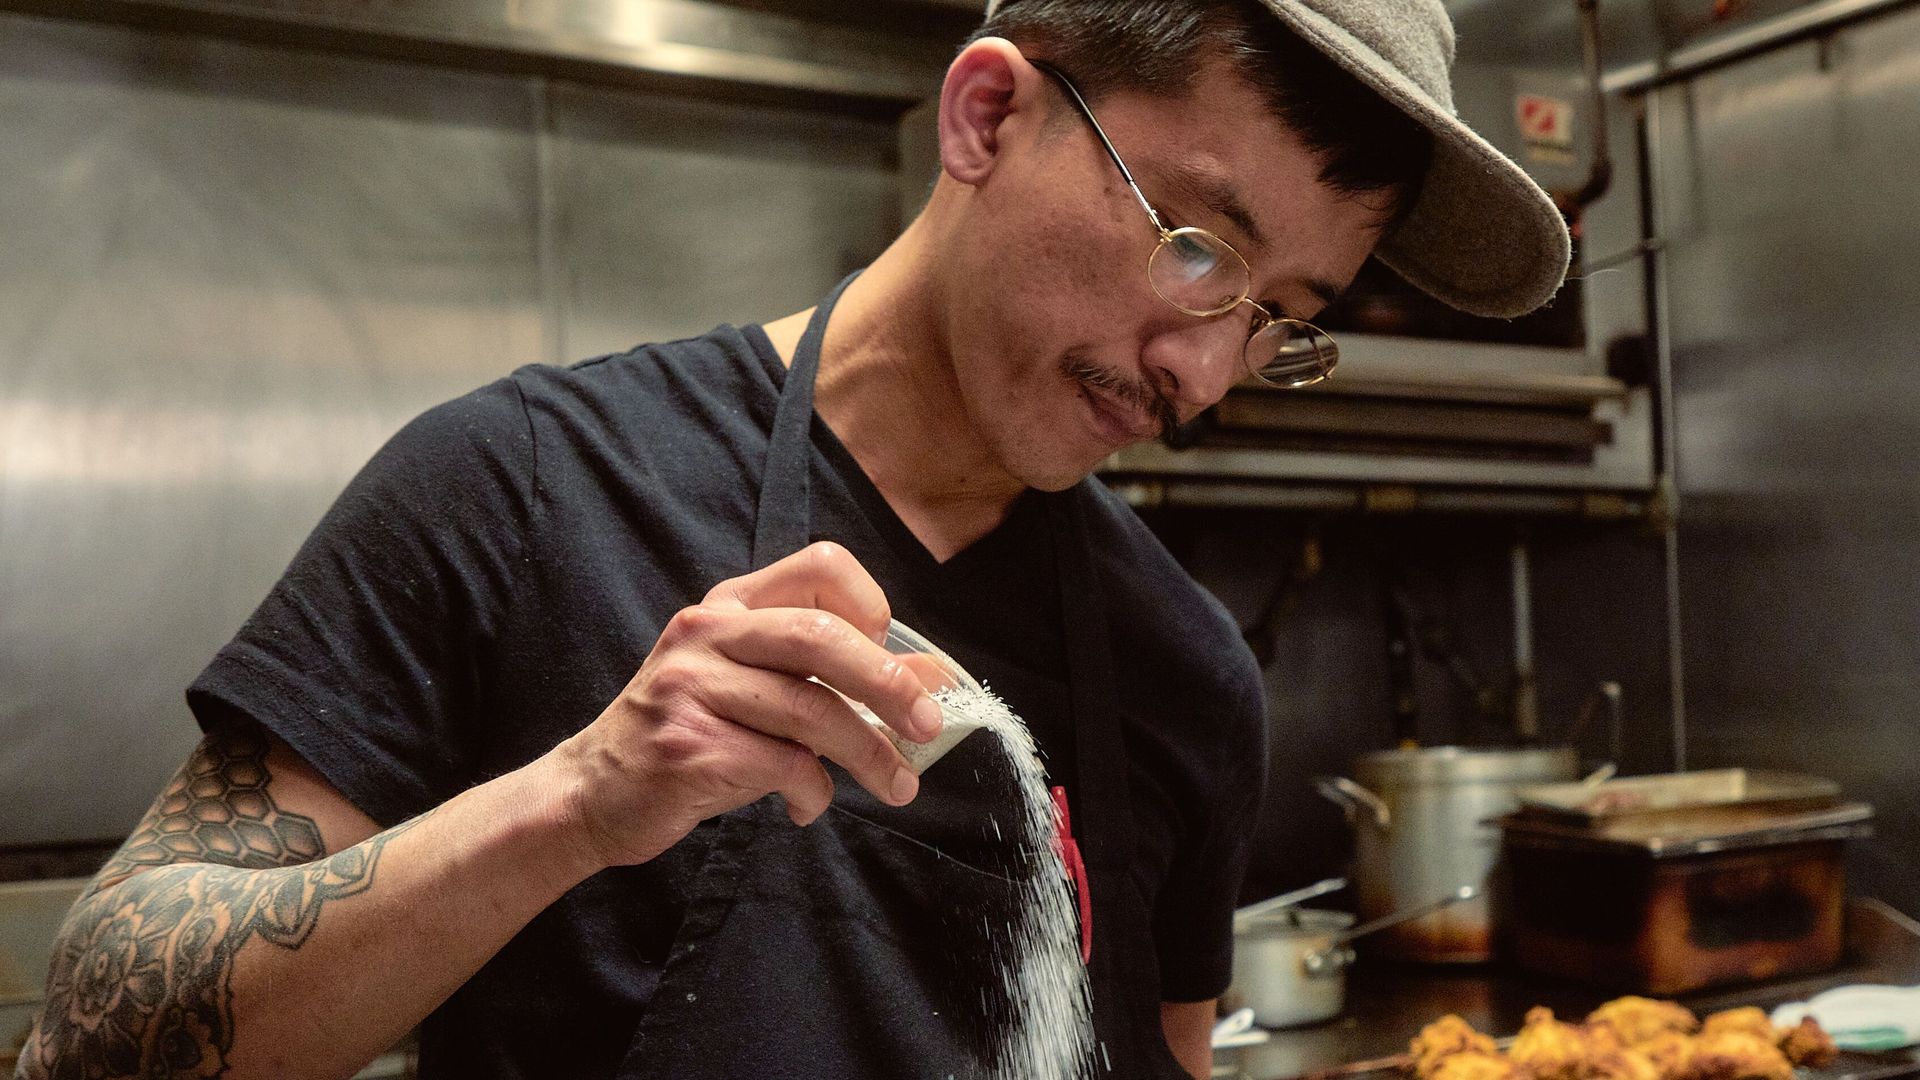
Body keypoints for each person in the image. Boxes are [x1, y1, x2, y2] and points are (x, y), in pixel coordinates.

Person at [15, 0, 1568, 1077]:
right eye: (1195, 249)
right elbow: (88, 1038)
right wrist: (576, 800)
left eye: (1280, 320)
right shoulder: (527, 488)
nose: (1205, 370)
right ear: (987, 115)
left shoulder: (1183, 667)